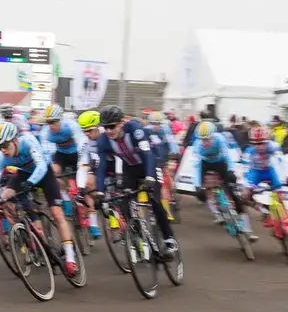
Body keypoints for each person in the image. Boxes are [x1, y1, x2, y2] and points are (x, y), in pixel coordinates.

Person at [0, 121, 80, 277]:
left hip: (44, 173)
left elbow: (41, 167)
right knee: (6, 195)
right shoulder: (0, 157)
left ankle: (71, 258)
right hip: (24, 174)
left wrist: (31, 183)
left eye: (5, 145)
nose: (3, 150)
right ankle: (26, 228)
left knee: (57, 215)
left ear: (15, 140)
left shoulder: (28, 141)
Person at [93, 105, 180, 258]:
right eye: (105, 127)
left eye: (112, 126)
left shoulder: (134, 129)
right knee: (124, 203)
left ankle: (169, 240)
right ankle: (140, 238)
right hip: (130, 169)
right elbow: (101, 168)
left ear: (121, 123)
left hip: (149, 164)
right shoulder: (104, 141)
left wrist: (150, 177)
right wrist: (99, 192)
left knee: (155, 201)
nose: (108, 131)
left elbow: (147, 154)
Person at [39, 103, 99, 239]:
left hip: (78, 154)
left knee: (86, 186)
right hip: (61, 155)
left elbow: (82, 144)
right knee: (53, 172)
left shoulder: (71, 126)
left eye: (53, 122)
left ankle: (94, 223)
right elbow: (46, 153)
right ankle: (65, 199)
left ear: (60, 119)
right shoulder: (45, 132)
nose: (51, 125)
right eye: (48, 122)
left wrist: (82, 167)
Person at [190, 119, 255, 239]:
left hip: (221, 163)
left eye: (207, 139)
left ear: (213, 136)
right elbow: (196, 166)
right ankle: (217, 211)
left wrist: (230, 170)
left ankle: (247, 228)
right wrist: (197, 185)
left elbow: (227, 156)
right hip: (204, 164)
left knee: (232, 191)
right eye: (203, 140)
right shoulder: (197, 146)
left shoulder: (219, 139)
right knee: (205, 190)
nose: (205, 142)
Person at [243, 125, 288, 246]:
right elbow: (247, 170)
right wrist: (249, 187)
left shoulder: (273, 147)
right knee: (245, 195)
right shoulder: (250, 152)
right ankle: (264, 211)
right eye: (255, 144)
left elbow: (281, 163)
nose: (259, 146)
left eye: (262, 143)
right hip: (256, 172)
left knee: (281, 199)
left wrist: (286, 178)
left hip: (271, 171)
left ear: (267, 140)